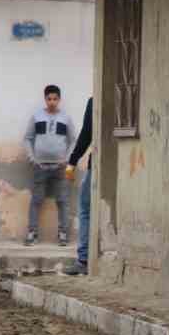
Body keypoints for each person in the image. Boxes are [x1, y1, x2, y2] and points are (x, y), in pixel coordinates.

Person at [23, 84, 77, 246]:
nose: (52, 102)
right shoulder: (37, 116)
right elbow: (27, 138)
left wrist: (67, 159)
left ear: (59, 100)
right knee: (36, 200)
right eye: (49, 99)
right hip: (40, 166)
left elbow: (73, 140)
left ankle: (63, 234)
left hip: (61, 168)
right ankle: (32, 233)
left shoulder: (66, 118)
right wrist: (33, 158)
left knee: (63, 200)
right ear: (45, 99)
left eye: (55, 99)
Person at [65, 95, 95, 274]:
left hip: (99, 163)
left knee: (85, 209)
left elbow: (87, 133)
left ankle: (83, 260)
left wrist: (72, 161)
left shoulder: (95, 100)